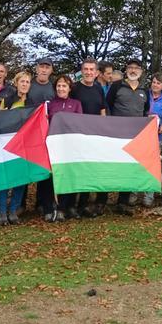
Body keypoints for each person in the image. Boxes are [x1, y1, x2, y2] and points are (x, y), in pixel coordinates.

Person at [106, 60, 152, 214]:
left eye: (136, 68)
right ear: (126, 70)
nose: (133, 70)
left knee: (128, 168)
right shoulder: (117, 86)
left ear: (141, 71)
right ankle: (101, 201)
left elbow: (145, 112)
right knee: (110, 167)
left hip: (135, 137)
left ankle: (123, 202)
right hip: (116, 135)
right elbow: (108, 106)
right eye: (130, 67)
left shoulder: (144, 91)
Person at [0, 71, 34, 224]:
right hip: (8, 144)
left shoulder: (33, 102)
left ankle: (13, 211)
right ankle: (2, 212)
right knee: (4, 179)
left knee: (20, 179)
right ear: (16, 83)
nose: (24, 84)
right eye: (22, 81)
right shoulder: (7, 101)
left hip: (25, 145)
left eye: (27, 82)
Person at [72, 58, 110, 216]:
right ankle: (71, 204)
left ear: (96, 73)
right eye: (85, 69)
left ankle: (84, 204)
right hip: (77, 135)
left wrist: (104, 130)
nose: (88, 72)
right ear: (82, 71)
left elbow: (102, 110)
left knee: (90, 169)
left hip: (94, 136)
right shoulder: (74, 89)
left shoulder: (98, 88)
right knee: (77, 169)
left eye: (91, 70)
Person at [47, 75, 83, 220]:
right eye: (59, 86)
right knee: (52, 177)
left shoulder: (76, 104)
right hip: (53, 144)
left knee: (68, 175)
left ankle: (63, 207)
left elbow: (79, 123)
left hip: (69, 146)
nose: (61, 88)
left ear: (69, 88)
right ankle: (50, 207)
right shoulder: (50, 104)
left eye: (64, 86)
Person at [144, 72, 162, 206]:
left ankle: (148, 196)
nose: (155, 85)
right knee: (138, 164)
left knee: (152, 166)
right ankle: (132, 194)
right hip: (141, 135)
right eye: (154, 82)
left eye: (158, 83)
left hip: (156, 136)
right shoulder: (144, 94)